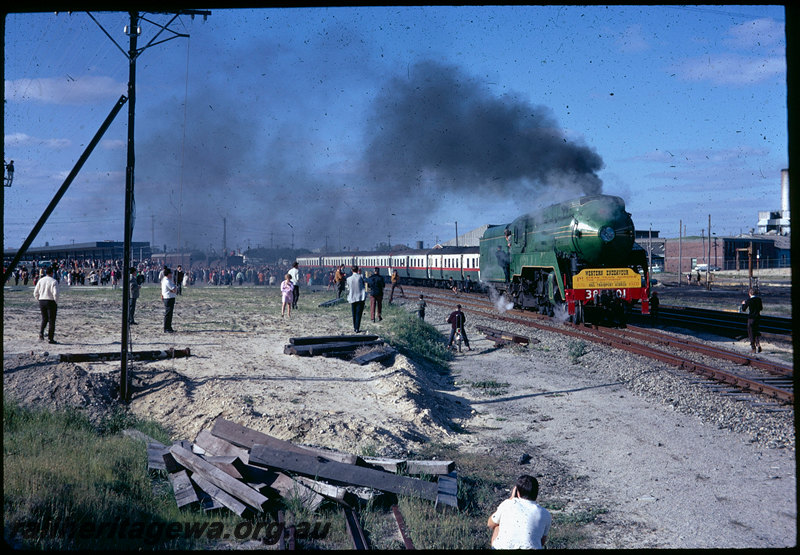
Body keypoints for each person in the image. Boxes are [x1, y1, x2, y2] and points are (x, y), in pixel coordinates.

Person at [487, 475, 551, 550]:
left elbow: (490, 524)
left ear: (517, 492)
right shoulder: (546, 514)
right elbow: (542, 541)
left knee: (497, 525)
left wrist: (511, 498)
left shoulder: (508, 504)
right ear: (536, 493)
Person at [33, 266, 59, 344]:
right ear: (52, 273)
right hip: (50, 301)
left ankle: (41, 333)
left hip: (42, 300)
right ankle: (50, 338)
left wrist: (38, 299)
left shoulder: (41, 280)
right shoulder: (54, 281)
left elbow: (35, 292)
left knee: (44, 318)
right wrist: (56, 301)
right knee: (52, 320)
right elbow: (55, 293)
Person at [740, 288, 763, 353]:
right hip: (757, 318)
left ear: (749, 293)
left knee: (751, 333)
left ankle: (753, 348)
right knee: (756, 331)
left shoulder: (749, 300)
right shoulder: (759, 299)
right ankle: (758, 344)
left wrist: (743, 304)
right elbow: (761, 308)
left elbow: (743, 309)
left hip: (751, 318)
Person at [346, 266, 366, 333]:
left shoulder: (348, 279)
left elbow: (348, 288)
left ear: (351, 270)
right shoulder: (360, 277)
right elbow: (363, 285)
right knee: (358, 314)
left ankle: (354, 327)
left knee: (354, 313)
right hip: (360, 297)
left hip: (352, 297)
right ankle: (357, 328)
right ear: (358, 270)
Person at [161, 267, 177, 333]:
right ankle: (166, 328)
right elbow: (174, 289)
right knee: (168, 314)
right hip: (168, 298)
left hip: (169, 297)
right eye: (170, 273)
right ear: (168, 274)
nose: (171, 275)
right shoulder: (167, 281)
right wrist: (173, 289)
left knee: (170, 314)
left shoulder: (166, 280)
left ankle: (169, 327)